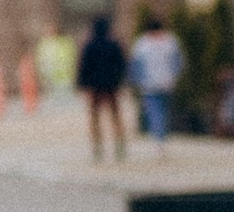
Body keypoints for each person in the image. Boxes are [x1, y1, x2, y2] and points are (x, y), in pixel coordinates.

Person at [76, 11, 129, 162]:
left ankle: (98, 146)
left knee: (95, 117)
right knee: (115, 115)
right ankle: (119, 144)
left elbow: (84, 67)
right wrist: (120, 82)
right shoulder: (114, 44)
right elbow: (121, 65)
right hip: (111, 85)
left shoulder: (89, 45)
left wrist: (82, 85)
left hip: (95, 86)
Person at [130, 8, 184, 151]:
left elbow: (136, 65)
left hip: (150, 84)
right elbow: (178, 62)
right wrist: (175, 77)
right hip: (167, 82)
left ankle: (158, 137)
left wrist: (136, 81)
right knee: (163, 111)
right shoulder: (171, 41)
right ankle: (162, 136)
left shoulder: (142, 43)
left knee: (155, 112)